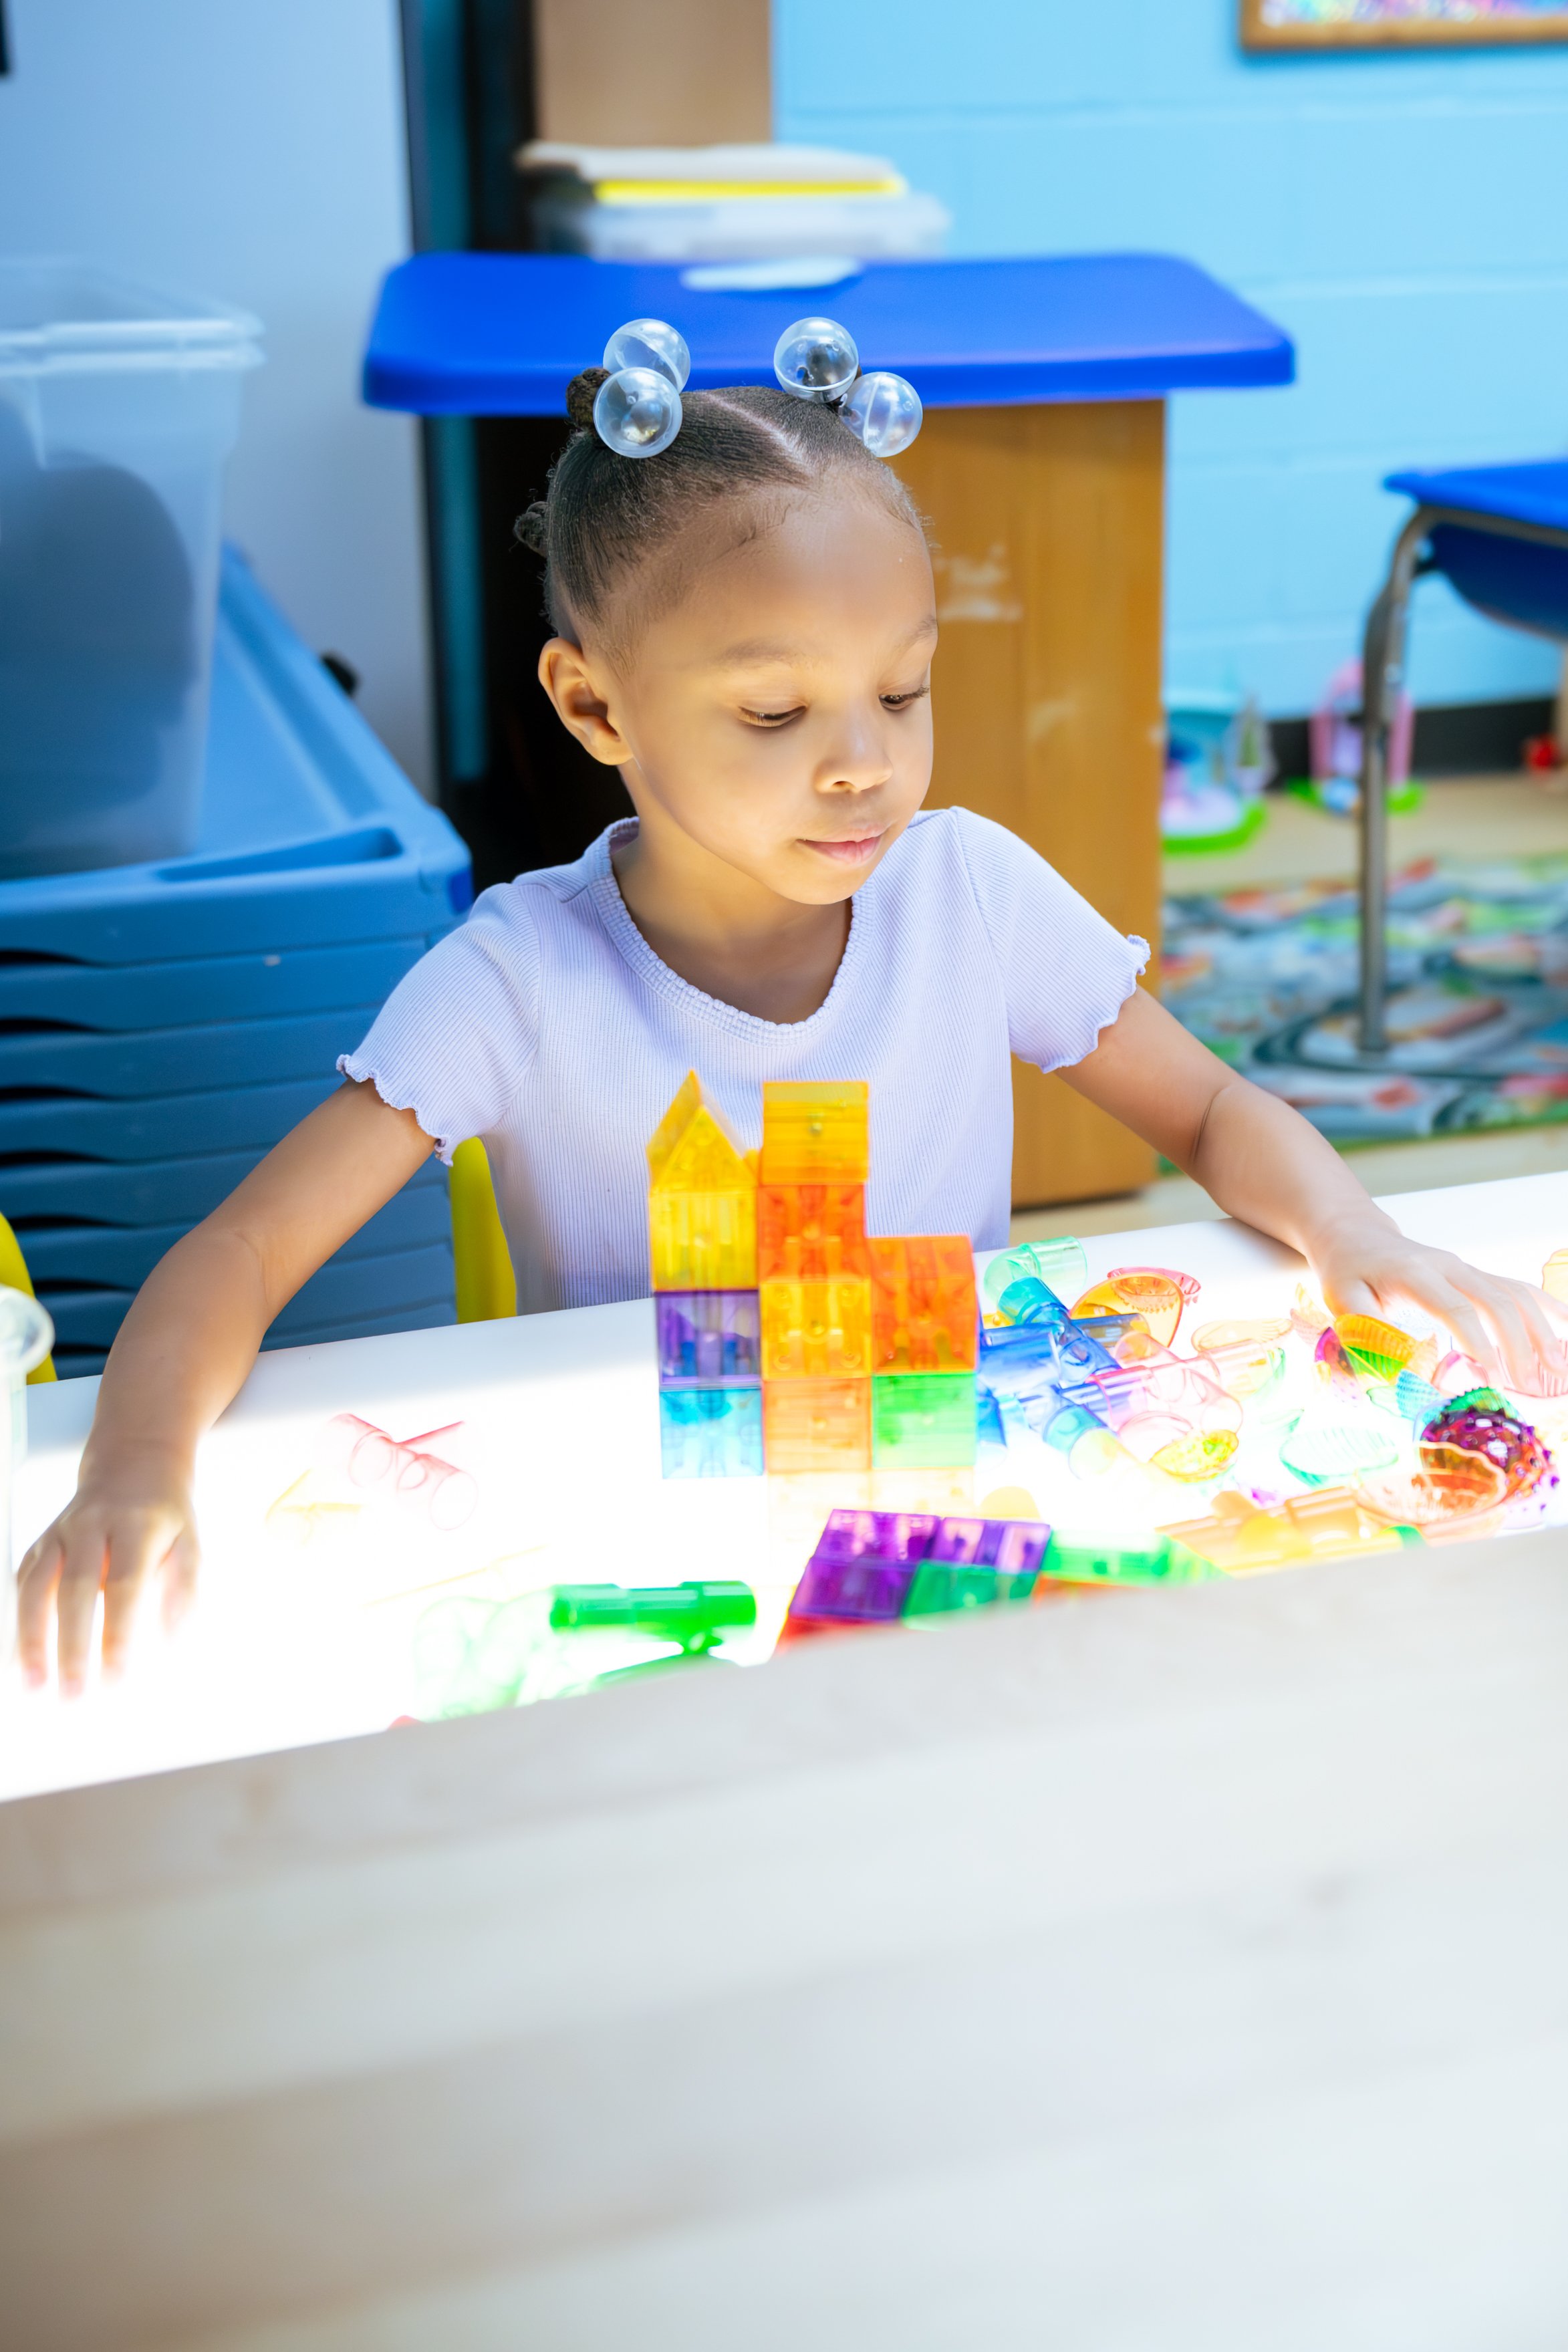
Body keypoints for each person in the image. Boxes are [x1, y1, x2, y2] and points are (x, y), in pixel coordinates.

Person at [19, 321, 1568, 1694]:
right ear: (593, 705)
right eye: (774, 710)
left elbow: (1218, 1108)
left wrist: (1359, 1231)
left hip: (956, 1492)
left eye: (902, 689)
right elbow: (236, 1250)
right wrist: (134, 1468)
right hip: (673, 1541)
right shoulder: (518, 975)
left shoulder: (971, 889)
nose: (864, 764)